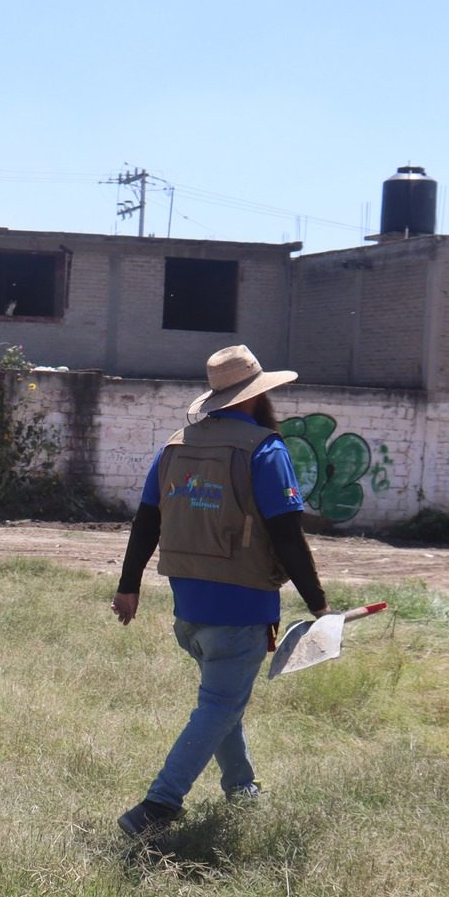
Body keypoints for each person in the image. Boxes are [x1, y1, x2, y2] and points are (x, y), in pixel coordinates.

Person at [110, 344, 330, 841]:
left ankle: (242, 789)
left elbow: (146, 520)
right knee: (219, 705)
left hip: (188, 608)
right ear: (257, 396)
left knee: (222, 701)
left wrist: (129, 587)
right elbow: (287, 535)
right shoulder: (265, 450)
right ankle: (158, 806)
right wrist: (319, 604)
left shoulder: (175, 445)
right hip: (241, 605)